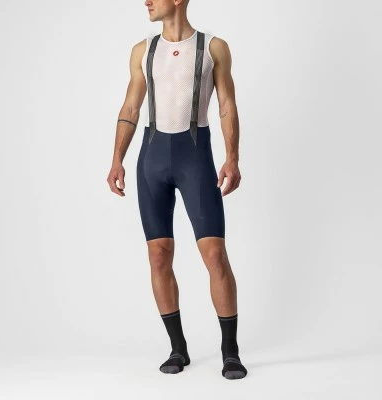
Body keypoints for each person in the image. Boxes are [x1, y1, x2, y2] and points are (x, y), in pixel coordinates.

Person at [107, 0, 247, 380]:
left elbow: (227, 105)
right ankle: (177, 348)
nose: (147, 1)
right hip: (151, 160)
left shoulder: (213, 48)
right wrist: (117, 158)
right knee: (158, 256)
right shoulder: (143, 50)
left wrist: (232, 157)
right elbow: (131, 107)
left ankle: (230, 351)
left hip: (195, 158)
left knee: (214, 254)